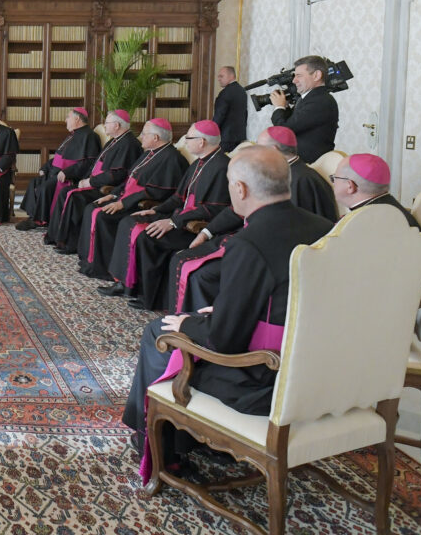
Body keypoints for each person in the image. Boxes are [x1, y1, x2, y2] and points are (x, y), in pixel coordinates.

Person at [122, 146, 335, 481]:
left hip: (264, 381)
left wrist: (192, 322)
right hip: (319, 369)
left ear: (241, 189)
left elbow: (224, 342)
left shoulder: (249, 242)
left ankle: (164, 445)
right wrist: (220, 311)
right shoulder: (326, 230)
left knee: (160, 333)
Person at [166, 125, 339, 313]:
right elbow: (238, 210)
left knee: (200, 274)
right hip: (251, 240)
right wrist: (208, 232)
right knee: (183, 259)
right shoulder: (272, 172)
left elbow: (300, 231)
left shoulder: (303, 180)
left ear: (272, 151)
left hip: (270, 254)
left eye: (258, 146)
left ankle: (202, 325)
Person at [100, 121, 231, 311]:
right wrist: (157, 210)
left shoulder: (221, 167)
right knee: (130, 221)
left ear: (202, 142)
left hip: (196, 226)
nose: (185, 141)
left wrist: (173, 222)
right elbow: (179, 197)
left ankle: (149, 297)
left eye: (189, 138)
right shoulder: (199, 163)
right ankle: (126, 283)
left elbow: (213, 209)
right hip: (180, 218)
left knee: (148, 238)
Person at [78, 118, 187, 280]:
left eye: (144, 133)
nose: (141, 136)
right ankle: (92, 261)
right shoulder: (148, 154)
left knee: (104, 216)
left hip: (140, 205)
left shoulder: (172, 159)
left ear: (156, 138)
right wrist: (114, 194)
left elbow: (155, 193)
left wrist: (123, 203)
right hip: (127, 199)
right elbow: (129, 178)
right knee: (92, 208)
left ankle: (105, 270)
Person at [46, 110, 143, 254]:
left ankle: (71, 243)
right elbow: (94, 164)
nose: (104, 126)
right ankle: (57, 236)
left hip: (107, 188)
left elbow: (117, 175)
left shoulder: (129, 144)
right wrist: (84, 179)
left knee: (73, 197)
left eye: (107, 123)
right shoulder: (113, 141)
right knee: (67, 192)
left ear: (116, 125)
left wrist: (90, 182)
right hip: (95, 183)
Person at [17, 107, 100, 231]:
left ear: (77, 119)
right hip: (54, 172)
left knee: (46, 187)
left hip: (69, 176)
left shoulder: (90, 136)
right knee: (34, 182)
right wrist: (45, 167)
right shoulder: (72, 135)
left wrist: (68, 172)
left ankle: (41, 220)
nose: (65, 120)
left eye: (68, 117)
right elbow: (58, 157)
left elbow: (89, 162)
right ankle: (33, 216)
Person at [269, 54, 339, 163]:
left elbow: (284, 131)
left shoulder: (320, 101)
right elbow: (293, 124)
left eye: (299, 75)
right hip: (301, 163)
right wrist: (285, 107)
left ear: (316, 75)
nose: (294, 81)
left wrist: (279, 107)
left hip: (309, 166)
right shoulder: (310, 98)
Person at [331, 153, 419, 228]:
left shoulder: (350, 226)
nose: (333, 183)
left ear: (350, 186)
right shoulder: (402, 215)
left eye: (334, 178)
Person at [212, 66, 247, 152]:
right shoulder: (242, 91)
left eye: (221, 76)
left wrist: (212, 131)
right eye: (218, 76)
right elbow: (245, 114)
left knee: (222, 162)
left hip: (225, 138)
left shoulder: (225, 93)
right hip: (240, 136)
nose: (219, 79)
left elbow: (219, 115)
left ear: (231, 76)